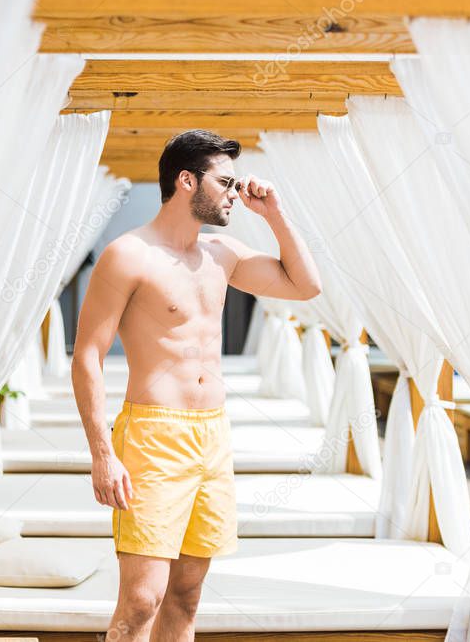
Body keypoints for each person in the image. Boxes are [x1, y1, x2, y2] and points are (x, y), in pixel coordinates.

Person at [71, 130, 321, 642]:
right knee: (142, 601)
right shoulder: (129, 254)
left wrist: (273, 213)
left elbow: (306, 285)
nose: (234, 192)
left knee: (186, 596)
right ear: (187, 181)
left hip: (212, 437)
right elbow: (87, 356)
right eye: (224, 182)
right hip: (153, 437)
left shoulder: (222, 254)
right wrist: (102, 453)